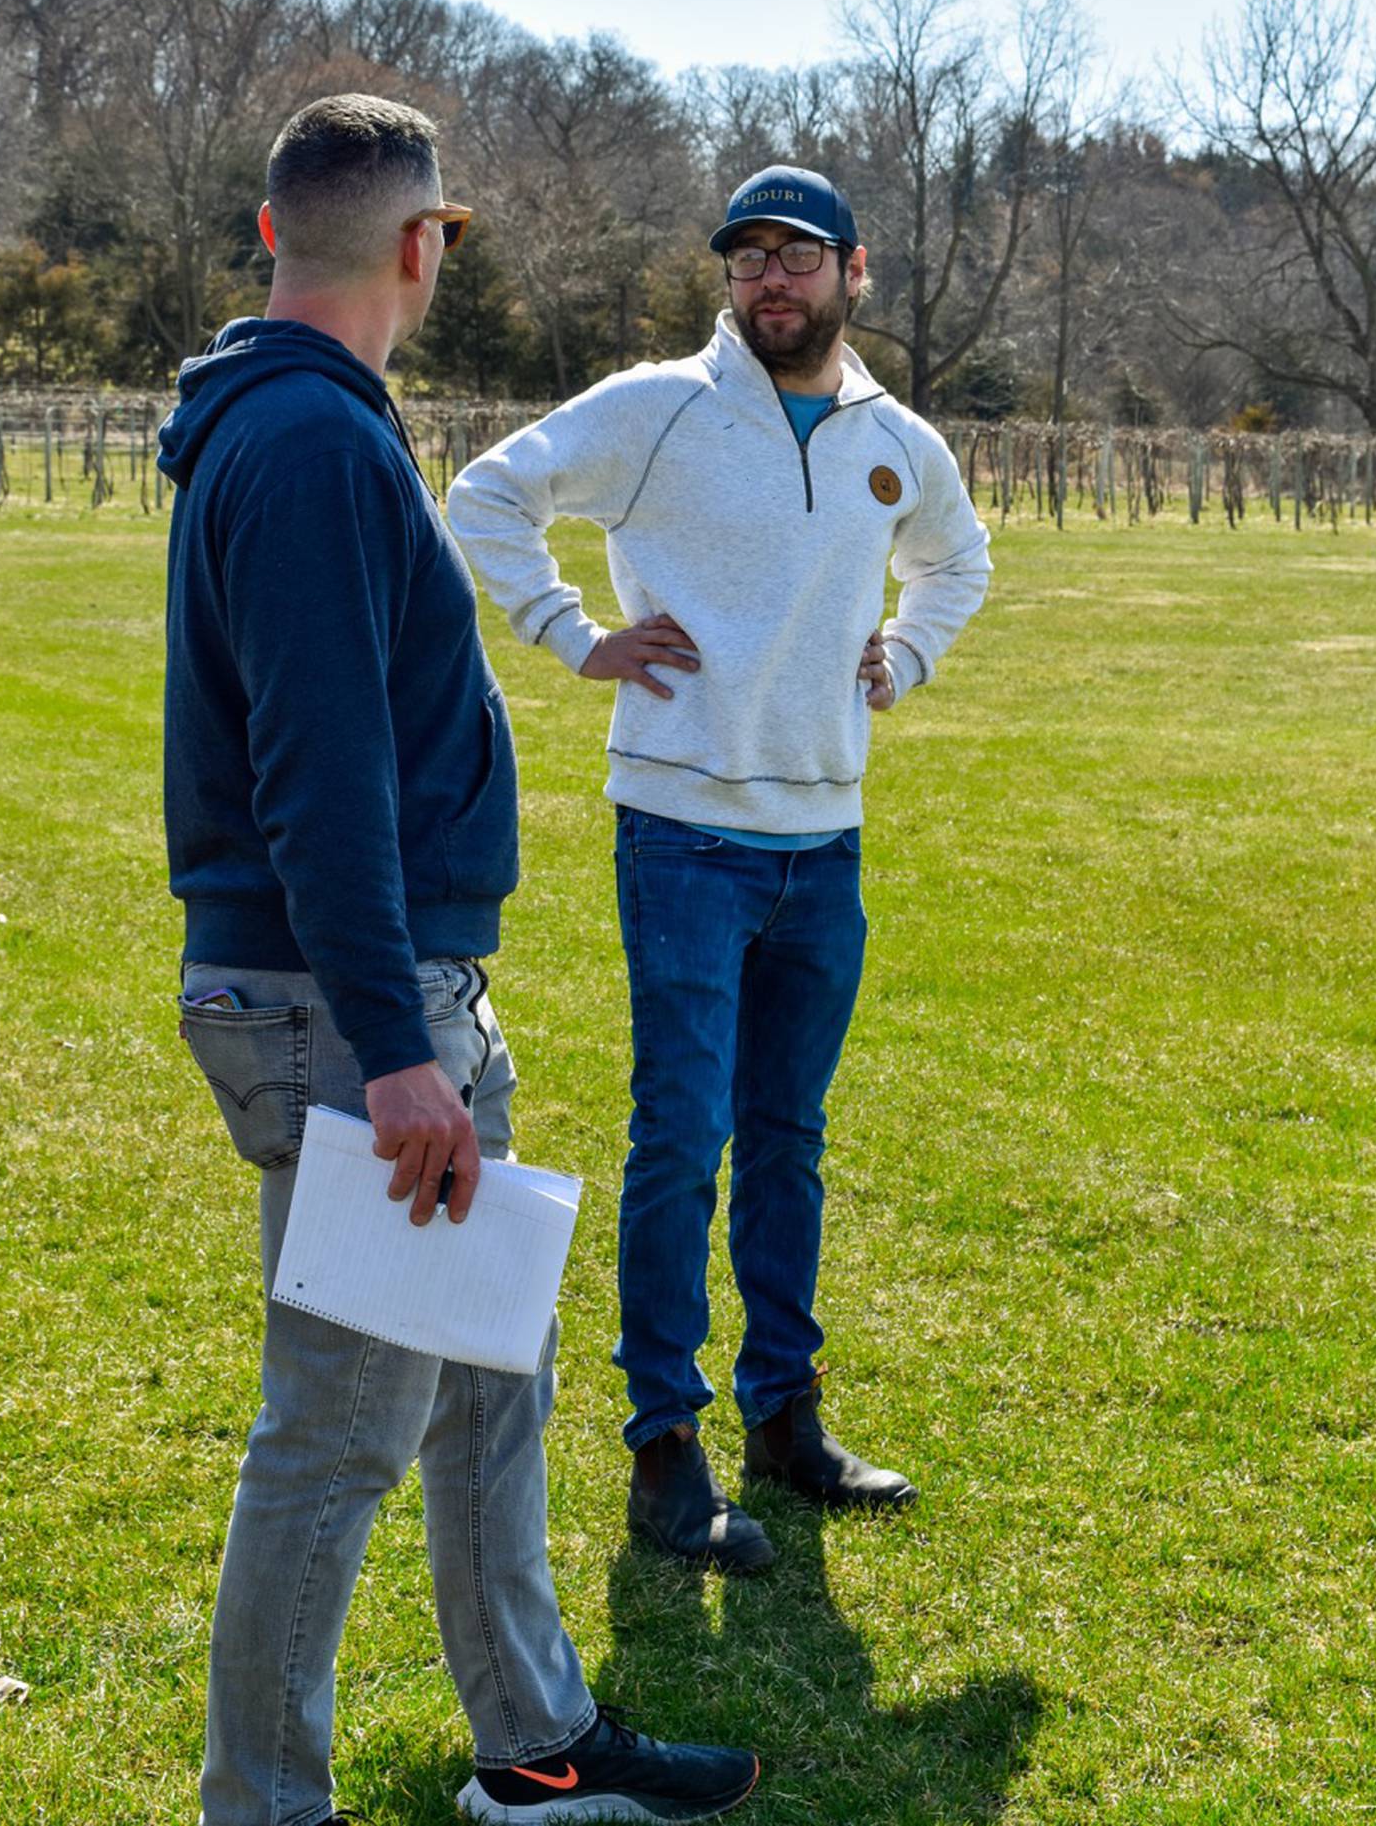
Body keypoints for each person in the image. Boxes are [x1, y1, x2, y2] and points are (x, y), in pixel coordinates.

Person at [159, 93, 760, 1826]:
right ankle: (263, 1806)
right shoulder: (310, 447)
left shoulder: (294, 424)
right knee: (339, 1429)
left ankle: (537, 1743)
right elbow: (318, 773)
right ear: (421, 248)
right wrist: (396, 1044)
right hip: (358, 1009)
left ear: (277, 231)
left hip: (394, 994)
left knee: (491, 1378)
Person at [449, 163, 992, 1575]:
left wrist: (909, 649)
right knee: (681, 1138)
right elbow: (489, 493)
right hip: (683, 836)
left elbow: (960, 560)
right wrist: (578, 636)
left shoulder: (894, 440)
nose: (768, 281)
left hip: (825, 843)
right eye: (746, 257)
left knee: (790, 1141)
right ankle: (662, 1447)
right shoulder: (662, 407)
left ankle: (786, 1419)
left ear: (852, 273)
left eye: (795, 257)